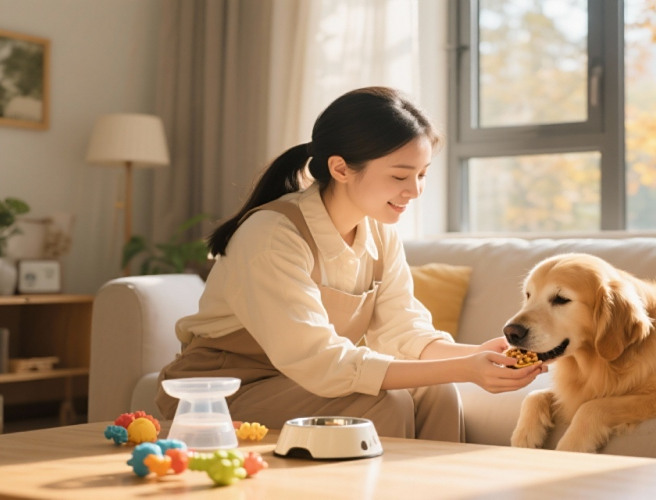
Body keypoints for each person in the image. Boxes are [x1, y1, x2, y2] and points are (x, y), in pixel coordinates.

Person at [155, 86, 546, 442]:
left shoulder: (379, 231)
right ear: (341, 169)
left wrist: (478, 355)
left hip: (297, 381)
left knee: (434, 391)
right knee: (380, 405)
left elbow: (403, 331)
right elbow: (322, 362)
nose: (414, 191)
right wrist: (467, 369)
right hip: (223, 390)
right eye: (400, 175)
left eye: (422, 175)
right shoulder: (273, 235)